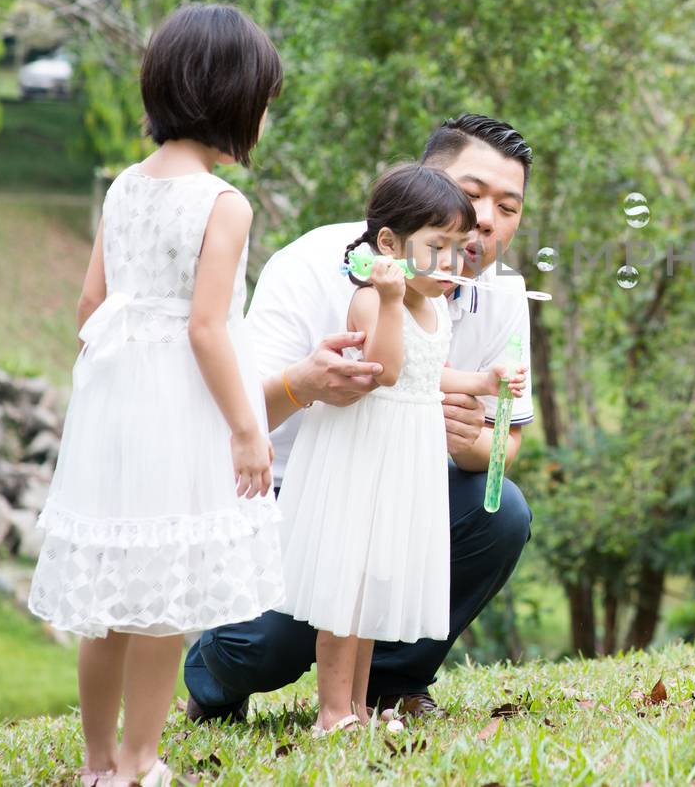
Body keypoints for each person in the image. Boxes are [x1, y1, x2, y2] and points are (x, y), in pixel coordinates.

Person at [184, 114, 536, 722]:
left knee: (502, 511)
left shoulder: (504, 294)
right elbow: (231, 418)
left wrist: (473, 445)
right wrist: (304, 384)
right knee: (278, 640)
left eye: (508, 207)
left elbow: (504, 448)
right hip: (291, 493)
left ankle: (391, 683)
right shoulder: (316, 264)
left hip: (405, 492)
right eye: (472, 195)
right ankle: (215, 670)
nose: (485, 221)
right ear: (422, 187)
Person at [27, 3, 286, 787]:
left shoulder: (123, 188)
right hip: (184, 404)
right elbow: (208, 329)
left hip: (116, 400)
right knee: (163, 596)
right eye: (265, 101)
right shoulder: (223, 204)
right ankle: (141, 762)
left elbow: (87, 308)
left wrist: (115, 382)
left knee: (110, 591)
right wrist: (247, 429)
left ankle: (99, 762)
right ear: (233, 98)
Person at [278, 164, 526, 734]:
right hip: (363, 459)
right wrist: (390, 298)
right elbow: (387, 371)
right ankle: (332, 712)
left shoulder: (434, 308)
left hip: (402, 464)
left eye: (458, 250)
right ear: (388, 245)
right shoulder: (372, 302)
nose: (452, 264)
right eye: (435, 248)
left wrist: (486, 382)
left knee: (370, 595)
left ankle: (360, 707)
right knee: (347, 591)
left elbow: (431, 374)